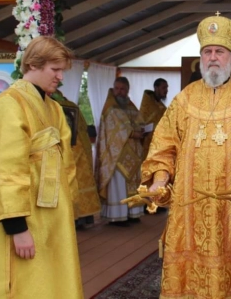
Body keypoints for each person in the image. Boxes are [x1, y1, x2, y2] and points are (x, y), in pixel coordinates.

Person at [141, 14, 231, 299]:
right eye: (207, 52)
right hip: (189, 207)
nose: (212, 58)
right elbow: (163, 145)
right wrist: (160, 178)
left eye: (219, 51)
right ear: (201, 57)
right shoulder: (183, 99)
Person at [0, 36, 83, 298]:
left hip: (52, 219)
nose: (60, 77)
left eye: (62, 70)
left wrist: (65, 212)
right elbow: (4, 169)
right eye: (55, 70)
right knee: (25, 285)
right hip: (24, 219)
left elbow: (67, 164)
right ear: (33, 65)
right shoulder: (8, 105)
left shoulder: (54, 109)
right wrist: (17, 227)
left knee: (52, 284)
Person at [96, 77, 145, 226]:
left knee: (132, 183)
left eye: (122, 89)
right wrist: (133, 133)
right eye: (116, 88)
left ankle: (132, 213)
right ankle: (118, 215)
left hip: (133, 153)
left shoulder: (131, 106)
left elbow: (140, 121)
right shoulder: (110, 108)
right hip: (116, 154)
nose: (119, 92)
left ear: (128, 90)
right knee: (119, 184)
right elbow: (115, 130)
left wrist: (142, 130)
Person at [52, 90, 101, 228]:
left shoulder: (52, 106)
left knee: (69, 184)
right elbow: (83, 128)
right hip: (81, 150)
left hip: (66, 151)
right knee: (81, 184)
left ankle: (74, 218)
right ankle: (85, 218)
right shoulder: (72, 105)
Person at [139, 77, 168, 158]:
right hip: (148, 143)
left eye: (167, 87)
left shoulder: (161, 106)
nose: (166, 90)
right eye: (164, 87)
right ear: (156, 88)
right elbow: (141, 122)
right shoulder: (147, 104)